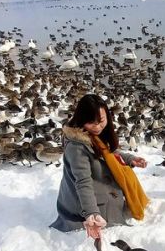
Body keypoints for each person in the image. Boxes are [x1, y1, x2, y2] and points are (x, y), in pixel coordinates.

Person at [50, 94, 149, 238]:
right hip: (86, 201)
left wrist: (130, 159)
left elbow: (107, 151)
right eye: (92, 122)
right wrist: (91, 213)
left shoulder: (91, 134)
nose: (97, 127)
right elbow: (83, 182)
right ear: (82, 120)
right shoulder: (77, 147)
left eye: (101, 121)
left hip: (97, 189)